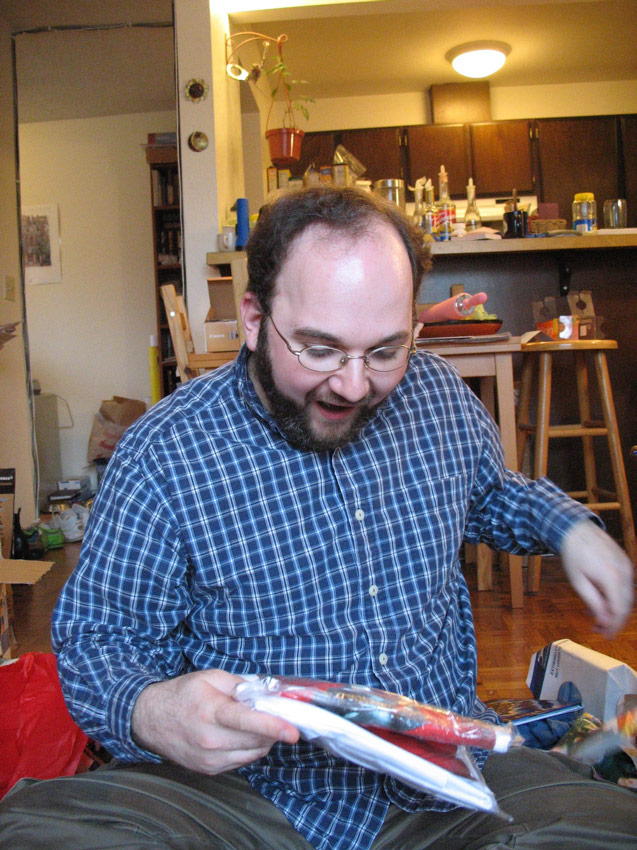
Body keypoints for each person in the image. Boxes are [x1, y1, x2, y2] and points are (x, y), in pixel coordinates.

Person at [1, 186, 634, 849]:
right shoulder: (167, 452)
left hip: (444, 788)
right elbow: (100, 635)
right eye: (319, 349)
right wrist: (149, 710)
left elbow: (492, 494)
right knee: (36, 833)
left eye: (385, 351)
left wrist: (571, 528)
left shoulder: (440, 399)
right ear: (253, 319)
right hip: (245, 800)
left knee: (608, 826)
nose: (353, 385)